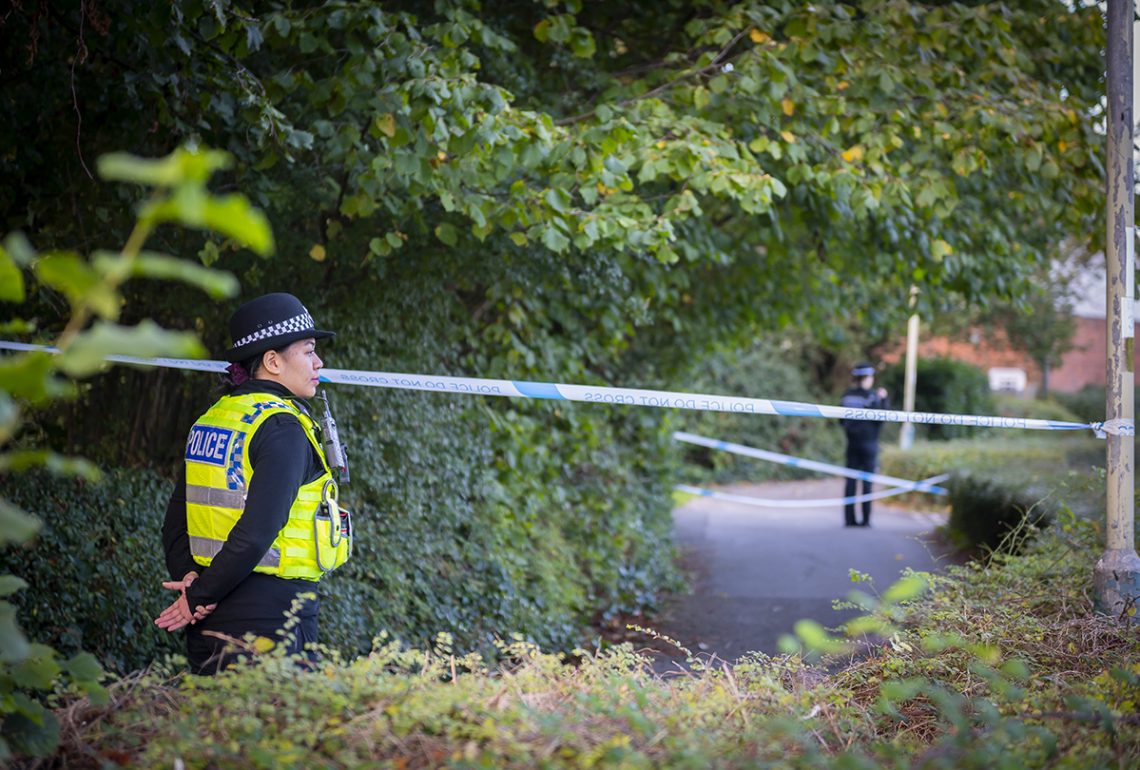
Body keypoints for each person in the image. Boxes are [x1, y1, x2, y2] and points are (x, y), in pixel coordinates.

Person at [155, 292, 351, 674]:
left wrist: (194, 585)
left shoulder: (214, 418)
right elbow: (258, 532)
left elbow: (175, 522)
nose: (318, 362)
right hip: (272, 617)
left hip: (211, 615)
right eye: (308, 350)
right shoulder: (281, 427)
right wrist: (197, 596)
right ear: (273, 361)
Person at [838, 362, 889, 527]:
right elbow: (881, 419)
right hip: (869, 445)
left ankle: (849, 519)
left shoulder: (847, 396)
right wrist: (884, 400)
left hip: (852, 444)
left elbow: (841, 420)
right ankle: (866, 520)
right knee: (867, 483)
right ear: (867, 378)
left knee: (851, 482)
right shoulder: (873, 396)